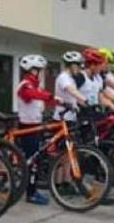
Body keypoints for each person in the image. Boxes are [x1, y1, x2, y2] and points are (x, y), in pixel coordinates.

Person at [15, 54, 52, 206]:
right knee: (32, 162)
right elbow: (30, 95)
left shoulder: (35, 85)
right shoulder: (25, 85)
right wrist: (49, 96)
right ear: (33, 71)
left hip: (35, 125)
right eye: (40, 71)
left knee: (35, 160)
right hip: (28, 127)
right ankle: (31, 194)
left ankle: (32, 189)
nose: (42, 74)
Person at [53, 51, 86, 119]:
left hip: (71, 116)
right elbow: (72, 91)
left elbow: (72, 97)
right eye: (78, 66)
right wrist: (85, 100)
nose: (79, 69)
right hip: (62, 117)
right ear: (72, 65)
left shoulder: (71, 79)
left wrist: (85, 104)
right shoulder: (63, 77)